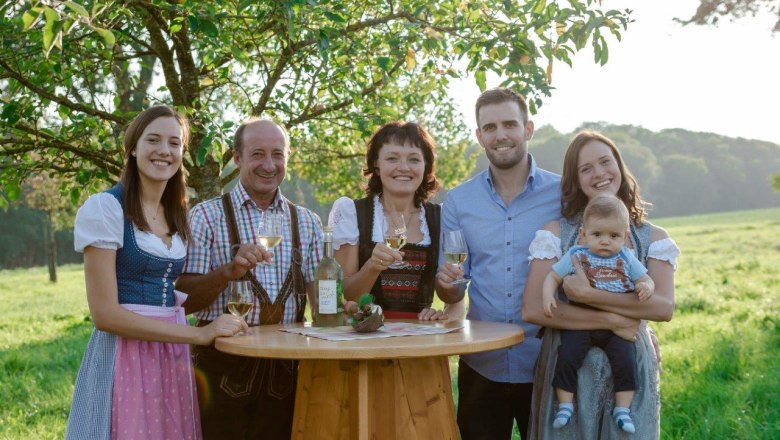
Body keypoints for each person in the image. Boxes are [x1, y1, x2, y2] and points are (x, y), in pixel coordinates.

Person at [65, 106, 246, 440]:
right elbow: (105, 315)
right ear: (133, 148)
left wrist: (229, 272)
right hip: (126, 353)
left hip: (168, 351)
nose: (165, 150)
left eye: (174, 143)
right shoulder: (105, 209)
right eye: (153, 140)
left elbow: (166, 295)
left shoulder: (175, 213)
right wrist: (198, 335)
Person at [522, 130, 680, 439]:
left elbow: (663, 307)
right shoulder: (555, 232)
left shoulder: (654, 237)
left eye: (605, 162)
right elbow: (533, 308)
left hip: (630, 371)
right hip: (568, 370)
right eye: (586, 168)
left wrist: (587, 294)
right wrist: (613, 319)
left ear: (619, 167)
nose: (599, 173)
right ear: (575, 179)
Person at [174, 118, 323, 440]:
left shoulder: (308, 222)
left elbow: (321, 305)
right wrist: (228, 271)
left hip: (290, 373)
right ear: (237, 158)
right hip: (222, 369)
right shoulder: (206, 216)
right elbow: (184, 303)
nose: (269, 165)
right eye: (258, 154)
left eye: (278, 154)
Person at [435, 88, 562, 439]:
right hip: (482, 363)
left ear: (528, 128)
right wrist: (448, 281)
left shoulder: (563, 194)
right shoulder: (459, 201)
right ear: (479, 136)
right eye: (489, 127)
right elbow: (451, 291)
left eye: (509, 124)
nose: (500, 135)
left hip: (550, 363)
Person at [542, 193, 656, 433]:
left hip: (616, 324)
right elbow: (553, 276)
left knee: (626, 359)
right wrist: (547, 294)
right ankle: (565, 404)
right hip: (582, 318)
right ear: (583, 234)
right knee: (568, 354)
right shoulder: (577, 255)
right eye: (597, 234)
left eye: (614, 236)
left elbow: (646, 278)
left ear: (625, 238)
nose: (605, 241)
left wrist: (645, 286)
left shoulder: (626, 258)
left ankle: (622, 408)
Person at [328, 121, 465, 320]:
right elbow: (345, 295)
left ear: (425, 166)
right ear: (376, 163)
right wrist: (371, 267)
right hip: (366, 339)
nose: (403, 168)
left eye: (414, 160)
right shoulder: (351, 213)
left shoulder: (441, 217)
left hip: (420, 339)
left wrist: (442, 318)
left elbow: (456, 294)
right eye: (392, 158)